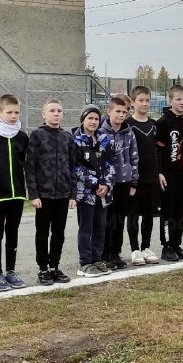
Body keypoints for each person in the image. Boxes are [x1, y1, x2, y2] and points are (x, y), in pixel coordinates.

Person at [26, 98, 77, 286]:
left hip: (63, 194)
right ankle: (43, 268)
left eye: (59, 111)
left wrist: (73, 194)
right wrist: (33, 194)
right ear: (44, 114)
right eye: (52, 110)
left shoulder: (67, 137)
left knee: (59, 232)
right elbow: (30, 166)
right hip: (44, 195)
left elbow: (72, 166)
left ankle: (55, 266)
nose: (56, 114)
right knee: (42, 232)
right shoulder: (37, 136)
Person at [0, 94, 29, 291]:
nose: (13, 116)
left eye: (17, 112)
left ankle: (11, 271)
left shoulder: (22, 137)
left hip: (17, 195)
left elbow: (27, 165)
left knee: (13, 234)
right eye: (9, 112)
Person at [73, 105, 115, 277]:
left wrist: (107, 185)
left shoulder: (105, 140)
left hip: (103, 194)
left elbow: (111, 164)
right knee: (86, 228)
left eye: (96, 119)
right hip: (86, 194)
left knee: (100, 227)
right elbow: (76, 167)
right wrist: (95, 184)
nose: (93, 121)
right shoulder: (75, 141)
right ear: (83, 120)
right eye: (90, 118)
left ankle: (97, 259)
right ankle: (85, 263)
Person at [99, 96, 139, 270]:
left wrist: (133, 182)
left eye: (124, 112)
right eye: (118, 111)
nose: (121, 115)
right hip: (108, 184)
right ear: (109, 112)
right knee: (106, 220)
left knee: (119, 220)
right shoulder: (101, 133)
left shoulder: (129, 133)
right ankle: (104, 254)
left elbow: (134, 157)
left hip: (124, 182)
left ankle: (115, 253)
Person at [156, 84, 183, 262]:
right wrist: (160, 172)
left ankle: (176, 243)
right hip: (168, 174)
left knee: (181, 210)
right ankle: (167, 246)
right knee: (168, 210)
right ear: (170, 100)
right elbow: (158, 151)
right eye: (178, 99)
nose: (181, 102)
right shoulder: (163, 123)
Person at [126, 85, 160, 266]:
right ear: (133, 102)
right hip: (134, 179)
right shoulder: (128, 125)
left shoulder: (154, 125)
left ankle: (146, 247)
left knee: (148, 215)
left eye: (147, 100)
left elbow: (159, 152)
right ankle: (135, 249)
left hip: (151, 177)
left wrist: (159, 172)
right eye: (141, 100)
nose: (145, 104)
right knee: (133, 214)